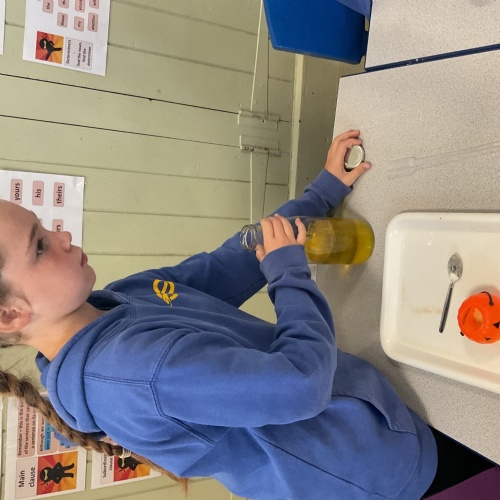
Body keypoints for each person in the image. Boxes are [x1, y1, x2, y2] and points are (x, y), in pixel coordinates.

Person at [0, 129, 481, 499]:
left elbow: (233, 260)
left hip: (372, 409)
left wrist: (321, 193)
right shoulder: (133, 374)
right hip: (379, 469)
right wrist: (289, 275)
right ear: (10, 315)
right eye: (39, 246)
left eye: (45, 226)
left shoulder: (119, 298)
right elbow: (300, 385)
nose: (63, 236)